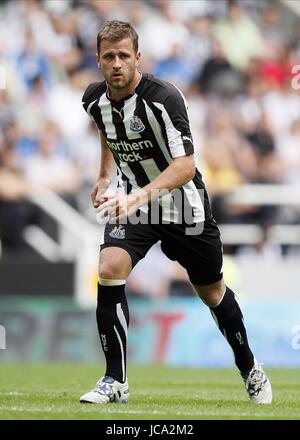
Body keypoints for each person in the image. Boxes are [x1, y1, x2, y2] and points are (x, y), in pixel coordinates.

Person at [80, 20, 272, 405]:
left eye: (123, 55)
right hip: (135, 205)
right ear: (98, 61)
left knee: (212, 293)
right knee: (109, 269)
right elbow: (106, 127)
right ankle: (115, 380)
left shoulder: (164, 97)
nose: (116, 63)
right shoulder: (93, 98)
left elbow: (185, 165)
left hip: (185, 209)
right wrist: (105, 174)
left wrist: (135, 198)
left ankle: (249, 366)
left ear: (138, 58)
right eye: (108, 56)